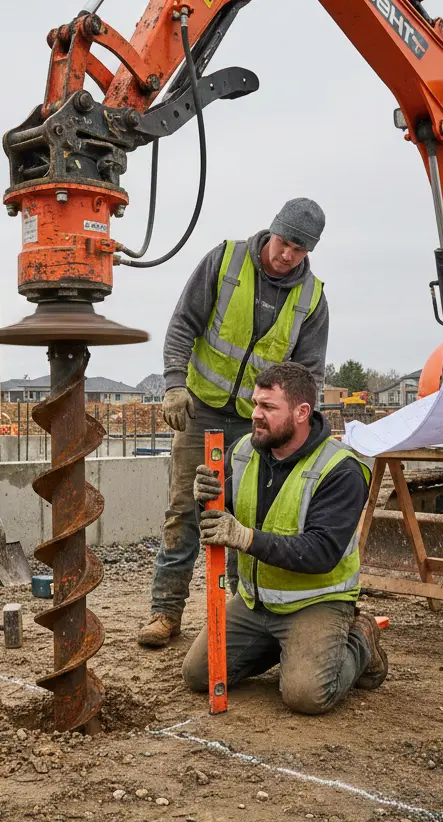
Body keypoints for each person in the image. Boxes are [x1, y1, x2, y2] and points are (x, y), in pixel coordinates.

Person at [138, 198, 331, 647]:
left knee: (246, 516)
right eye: (284, 243)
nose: (288, 255)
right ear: (272, 231)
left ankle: (239, 615)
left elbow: (309, 375)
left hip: (257, 423)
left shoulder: (311, 299)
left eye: (300, 250)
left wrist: (297, 427)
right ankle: (165, 611)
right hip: (199, 409)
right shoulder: (226, 262)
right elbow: (183, 324)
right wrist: (174, 384)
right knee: (185, 509)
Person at [177, 362, 384, 713]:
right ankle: (287, 647)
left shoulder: (340, 469)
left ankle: (361, 639)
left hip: (315, 602)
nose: (255, 414)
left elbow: (322, 552)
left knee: (306, 696)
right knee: (199, 674)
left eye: (268, 407)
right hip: (256, 602)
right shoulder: (243, 451)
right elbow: (218, 519)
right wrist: (204, 501)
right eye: (256, 403)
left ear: (301, 412)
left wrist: (245, 538)